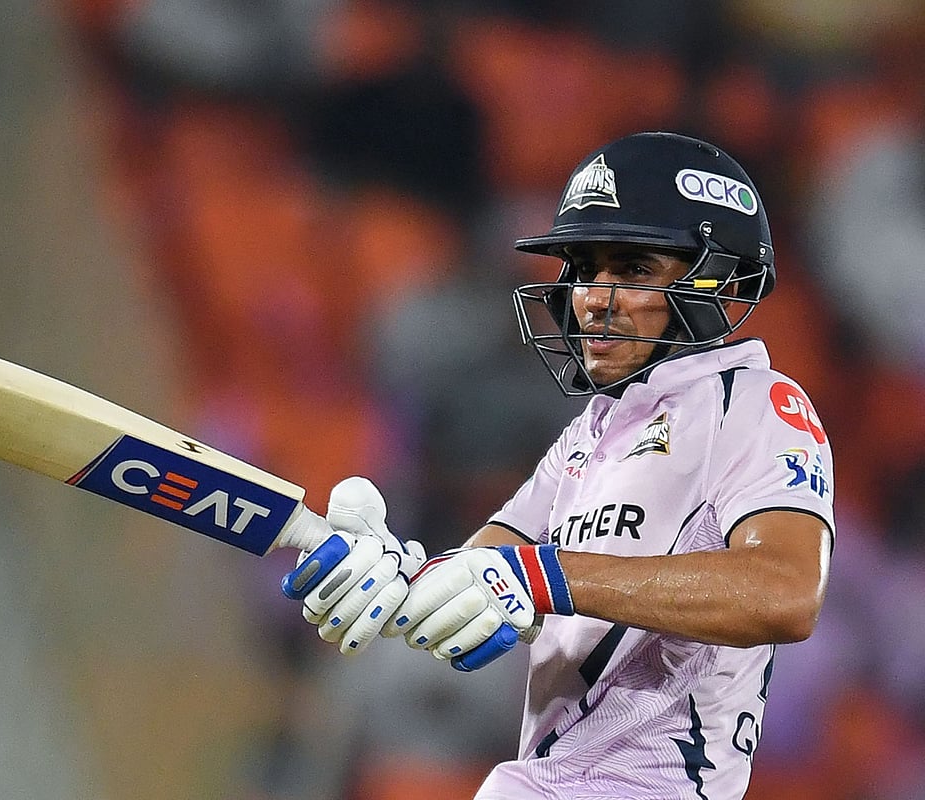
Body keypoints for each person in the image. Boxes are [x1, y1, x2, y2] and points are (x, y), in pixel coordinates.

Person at [279, 131, 835, 800]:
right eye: (581, 268)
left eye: (631, 270)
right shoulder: (586, 436)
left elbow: (785, 591)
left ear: (715, 279)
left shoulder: (754, 403)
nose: (593, 297)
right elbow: (479, 576)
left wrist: (538, 577)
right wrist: (383, 574)